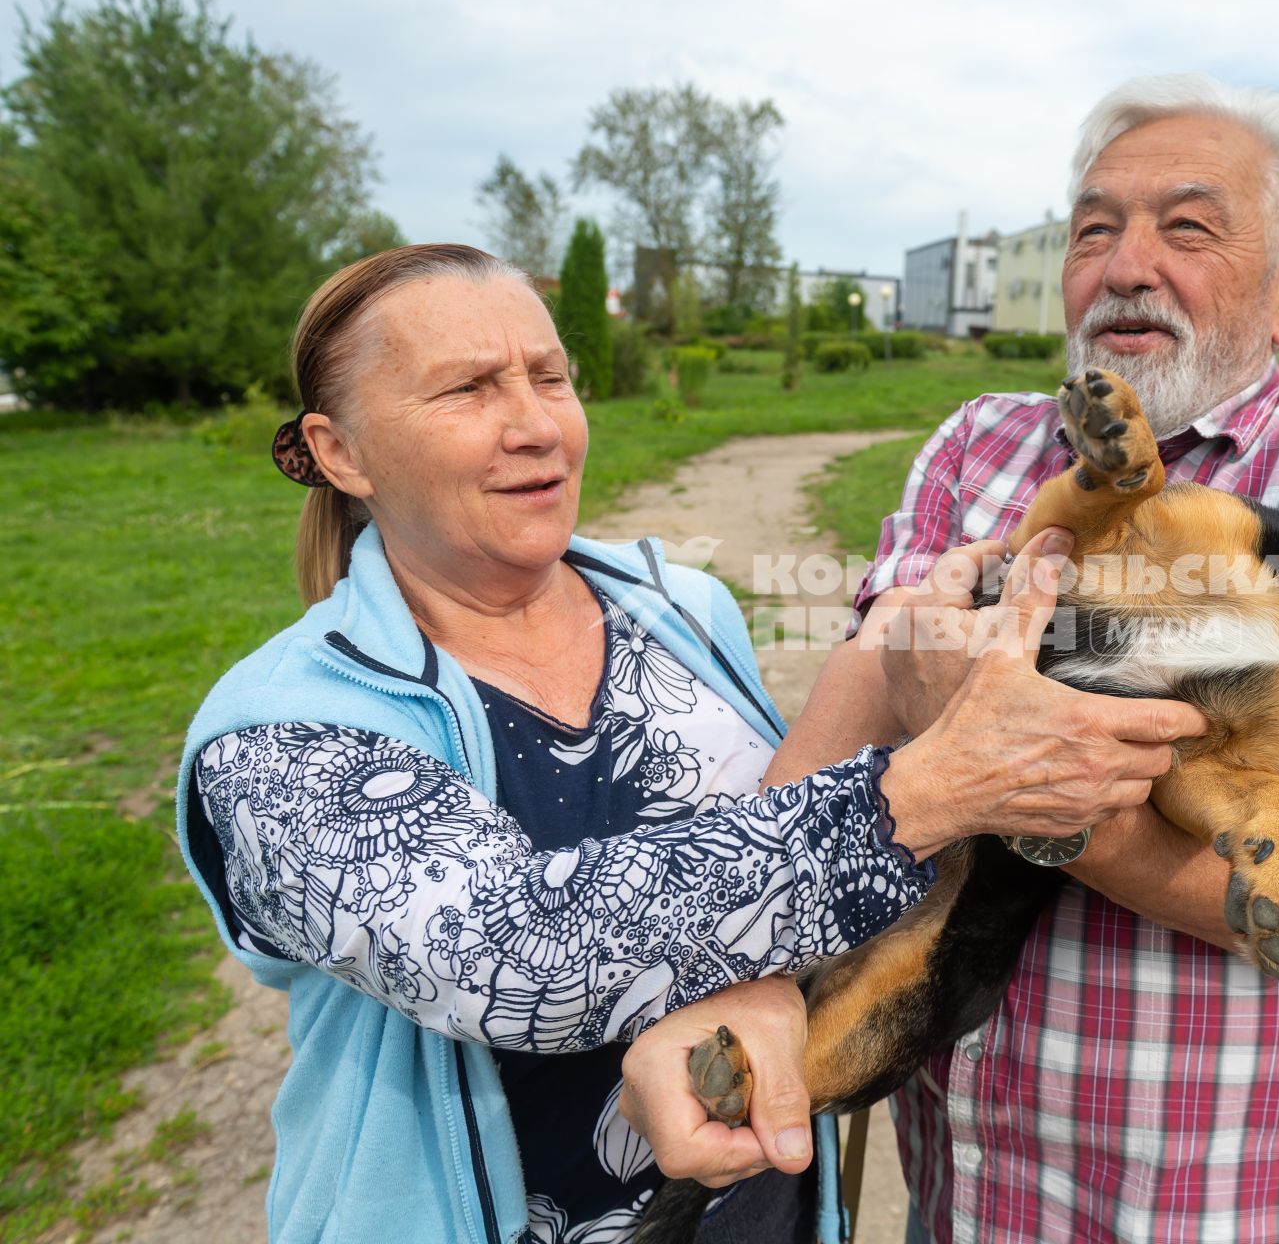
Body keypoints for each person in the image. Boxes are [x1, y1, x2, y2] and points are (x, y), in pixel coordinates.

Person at [173, 243, 1207, 1244]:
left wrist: (917, 634)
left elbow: (765, 837)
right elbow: (519, 953)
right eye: (469, 390)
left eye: (551, 376)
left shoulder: (679, 605)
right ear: (342, 449)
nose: (537, 425)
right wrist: (929, 788)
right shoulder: (277, 735)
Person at [689, 73, 1279, 1242]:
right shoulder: (978, 443)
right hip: (969, 1191)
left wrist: (1028, 777)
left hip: (1223, 1201)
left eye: (1188, 226)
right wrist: (748, 948)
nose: (1126, 264)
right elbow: (875, 669)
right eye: (1093, 229)